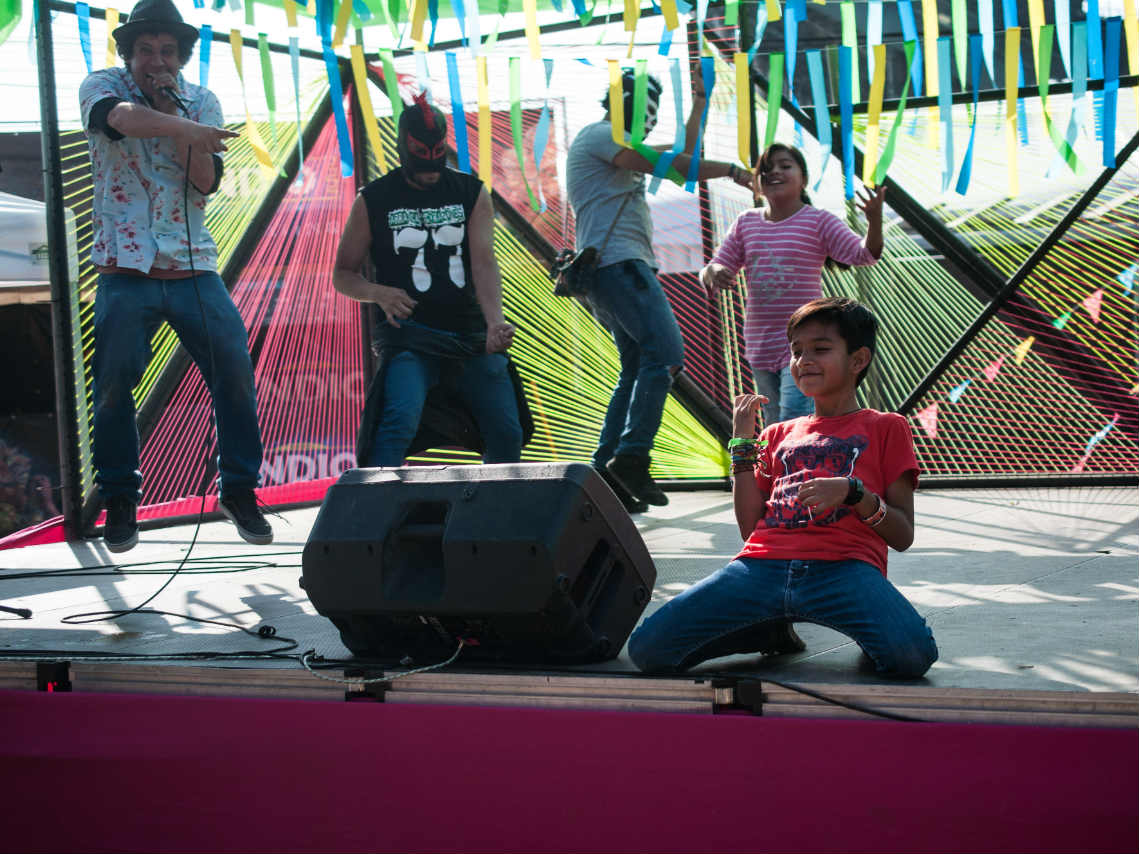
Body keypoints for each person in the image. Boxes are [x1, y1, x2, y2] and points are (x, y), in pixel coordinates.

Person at [627, 297, 938, 678]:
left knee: (909, 656)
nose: (803, 360)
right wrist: (742, 444)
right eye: (796, 351)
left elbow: (903, 534)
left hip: (844, 570)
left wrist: (854, 493)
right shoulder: (777, 433)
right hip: (759, 569)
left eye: (820, 349)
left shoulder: (887, 426)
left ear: (858, 360)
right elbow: (749, 528)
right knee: (648, 651)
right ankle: (763, 630)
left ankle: (843, 630)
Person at [78, 0, 272, 553]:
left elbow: (205, 182)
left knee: (234, 371)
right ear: (129, 53)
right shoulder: (102, 84)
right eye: (145, 50)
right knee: (114, 384)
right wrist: (183, 123)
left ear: (181, 57)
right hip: (124, 267)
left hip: (191, 266)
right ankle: (119, 496)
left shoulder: (201, 99)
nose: (155, 61)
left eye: (167, 51)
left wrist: (181, 114)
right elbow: (121, 121)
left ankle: (238, 490)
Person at [566, 68, 753, 511]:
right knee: (666, 356)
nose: (648, 122)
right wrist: (730, 170)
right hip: (620, 265)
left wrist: (701, 103)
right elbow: (673, 166)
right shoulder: (599, 136)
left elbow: (681, 157)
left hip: (612, 268)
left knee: (634, 369)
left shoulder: (616, 144)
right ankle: (631, 456)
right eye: (643, 113)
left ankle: (605, 472)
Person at [333, 94, 527, 468]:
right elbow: (342, 274)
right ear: (405, 153)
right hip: (410, 335)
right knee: (396, 423)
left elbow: (484, 264)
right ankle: (378, 515)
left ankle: (496, 515)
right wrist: (379, 294)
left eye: (436, 166)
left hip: (469, 334)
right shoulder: (374, 198)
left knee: (507, 429)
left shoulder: (471, 192)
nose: (431, 175)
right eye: (422, 169)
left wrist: (494, 322)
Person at [700, 143, 885, 427]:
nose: (774, 172)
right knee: (775, 427)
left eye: (785, 166)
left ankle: (800, 470)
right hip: (759, 345)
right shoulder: (746, 223)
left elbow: (865, 254)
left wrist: (873, 220)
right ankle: (787, 472)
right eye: (766, 168)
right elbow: (714, 266)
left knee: (793, 421)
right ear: (757, 182)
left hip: (803, 346)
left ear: (804, 179)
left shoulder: (818, 220)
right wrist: (713, 272)